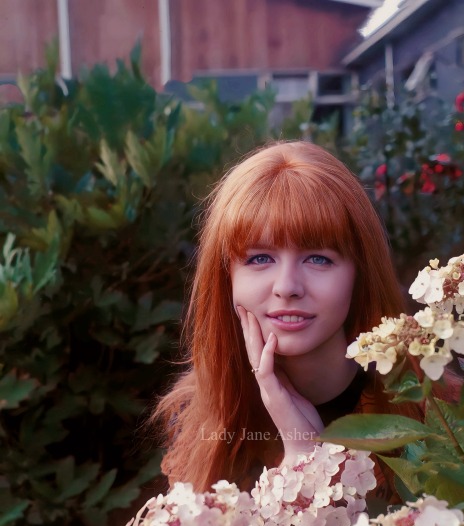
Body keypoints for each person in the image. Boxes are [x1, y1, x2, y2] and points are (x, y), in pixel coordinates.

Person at [154, 140, 423, 496]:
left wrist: (310, 455)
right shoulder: (197, 417)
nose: (287, 287)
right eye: (260, 258)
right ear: (226, 278)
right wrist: (299, 452)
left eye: (318, 258)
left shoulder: (430, 406)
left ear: (361, 273)